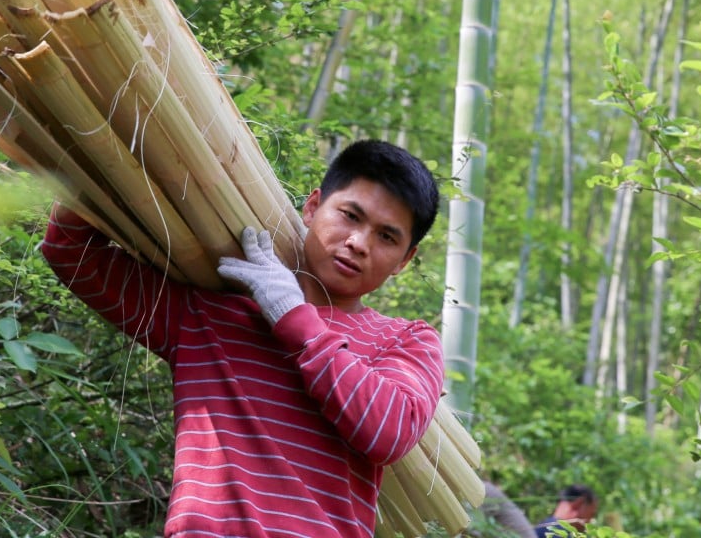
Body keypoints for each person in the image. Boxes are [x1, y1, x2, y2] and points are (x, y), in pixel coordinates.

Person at [40, 139, 444, 538]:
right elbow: (70, 251)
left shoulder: (405, 340)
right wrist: (115, 156)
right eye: (350, 215)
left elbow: (389, 431)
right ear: (312, 207)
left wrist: (293, 316)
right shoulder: (208, 312)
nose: (358, 243)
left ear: (404, 260)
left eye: (386, 237)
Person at [532, 484, 599, 537]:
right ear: (579, 504)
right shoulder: (559, 533)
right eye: (592, 514)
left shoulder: (542, 527)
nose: (590, 520)